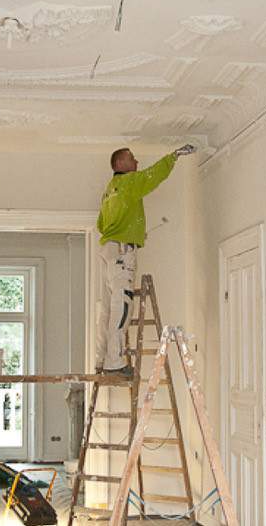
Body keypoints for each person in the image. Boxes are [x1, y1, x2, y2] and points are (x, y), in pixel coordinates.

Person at [95, 144, 196, 376]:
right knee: (122, 306)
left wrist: (127, 229)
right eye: (132, 159)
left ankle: (101, 359)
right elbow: (153, 175)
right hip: (122, 253)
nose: (137, 163)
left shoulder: (109, 190)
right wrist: (173, 156)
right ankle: (115, 362)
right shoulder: (129, 182)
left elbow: (101, 224)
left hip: (108, 251)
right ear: (120, 164)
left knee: (107, 310)